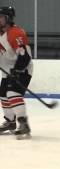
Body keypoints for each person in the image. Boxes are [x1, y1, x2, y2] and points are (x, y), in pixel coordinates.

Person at [0, 6, 33, 139]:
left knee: (12, 93)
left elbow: (24, 56)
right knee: (3, 94)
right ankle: (10, 122)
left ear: (8, 19)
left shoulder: (15, 33)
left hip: (22, 69)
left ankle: (23, 123)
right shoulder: (1, 33)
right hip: (7, 71)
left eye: (1, 17)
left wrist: (17, 69)